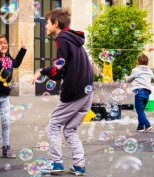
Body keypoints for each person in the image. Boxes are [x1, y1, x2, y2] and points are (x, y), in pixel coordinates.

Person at [32, 9, 93, 176]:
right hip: (86, 91)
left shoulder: (62, 39)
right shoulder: (75, 39)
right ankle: (79, 166)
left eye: (47, 22)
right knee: (70, 129)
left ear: (55, 23)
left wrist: (42, 71)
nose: (45, 25)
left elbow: (59, 70)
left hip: (74, 91)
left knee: (54, 125)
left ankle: (56, 164)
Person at [0, 34, 27, 161]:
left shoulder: (7, 58)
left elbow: (16, 63)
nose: (3, 45)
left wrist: (22, 49)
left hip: (5, 95)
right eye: (0, 43)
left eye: (5, 42)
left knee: (6, 122)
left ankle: (6, 148)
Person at [125, 54, 154, 133]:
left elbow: (129, 79)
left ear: (137, 62)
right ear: (147, 63)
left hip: (139, 92)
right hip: (147, 93)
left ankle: (147, 125)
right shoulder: (149, 70)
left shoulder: (135, 70)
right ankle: (140, 127)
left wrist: (126, 78)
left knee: (139, 111)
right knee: (141, 110)